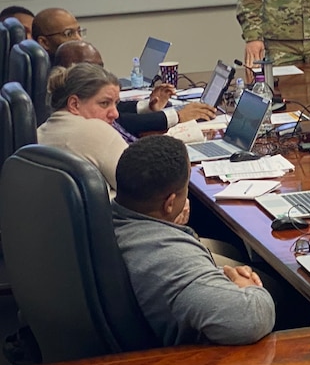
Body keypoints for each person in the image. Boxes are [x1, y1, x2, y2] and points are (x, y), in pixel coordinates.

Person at [113, 135, 275, 346]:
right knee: (278, 290)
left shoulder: (109, 216)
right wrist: (245, 286)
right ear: (169, 204)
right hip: (187, 364)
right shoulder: (169, 259)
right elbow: (249, 319)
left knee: (231, 250)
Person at [53, 40, 216, 136]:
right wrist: (178, 117)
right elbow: (121, 120)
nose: (114, 111)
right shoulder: (91, 132)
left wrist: (148, 106)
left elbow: (118, 110)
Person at [37, 62, 127, 195]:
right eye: (104, 103)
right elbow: (146, 189)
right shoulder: (96, 130)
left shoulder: (38, 132)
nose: (115, 113)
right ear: (74, 104)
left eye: (116, 104)